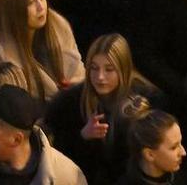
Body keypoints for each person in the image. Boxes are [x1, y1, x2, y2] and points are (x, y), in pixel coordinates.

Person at [44, 32, 161, 183]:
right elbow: (57, 155)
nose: (100, 77)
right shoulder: (69, 103)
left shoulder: (148, 99)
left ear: (123, 69)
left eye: (109, 69)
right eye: (94, 68)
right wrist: (83, 137)